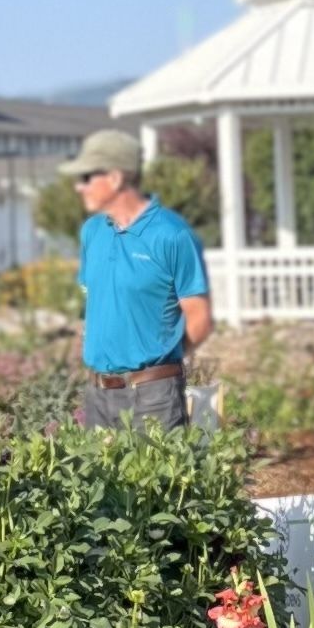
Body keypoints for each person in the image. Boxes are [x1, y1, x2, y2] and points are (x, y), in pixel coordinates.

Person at [65, 128, 211, 428]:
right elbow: (94, 304)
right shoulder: (92, 232)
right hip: (98, 396)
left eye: (86, 178)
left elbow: (200, 319)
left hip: (154, 398)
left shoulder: (172, 235)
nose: (79, 187)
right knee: (97, 476)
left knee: (157, 476)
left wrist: (157, 364)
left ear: (116, 178)